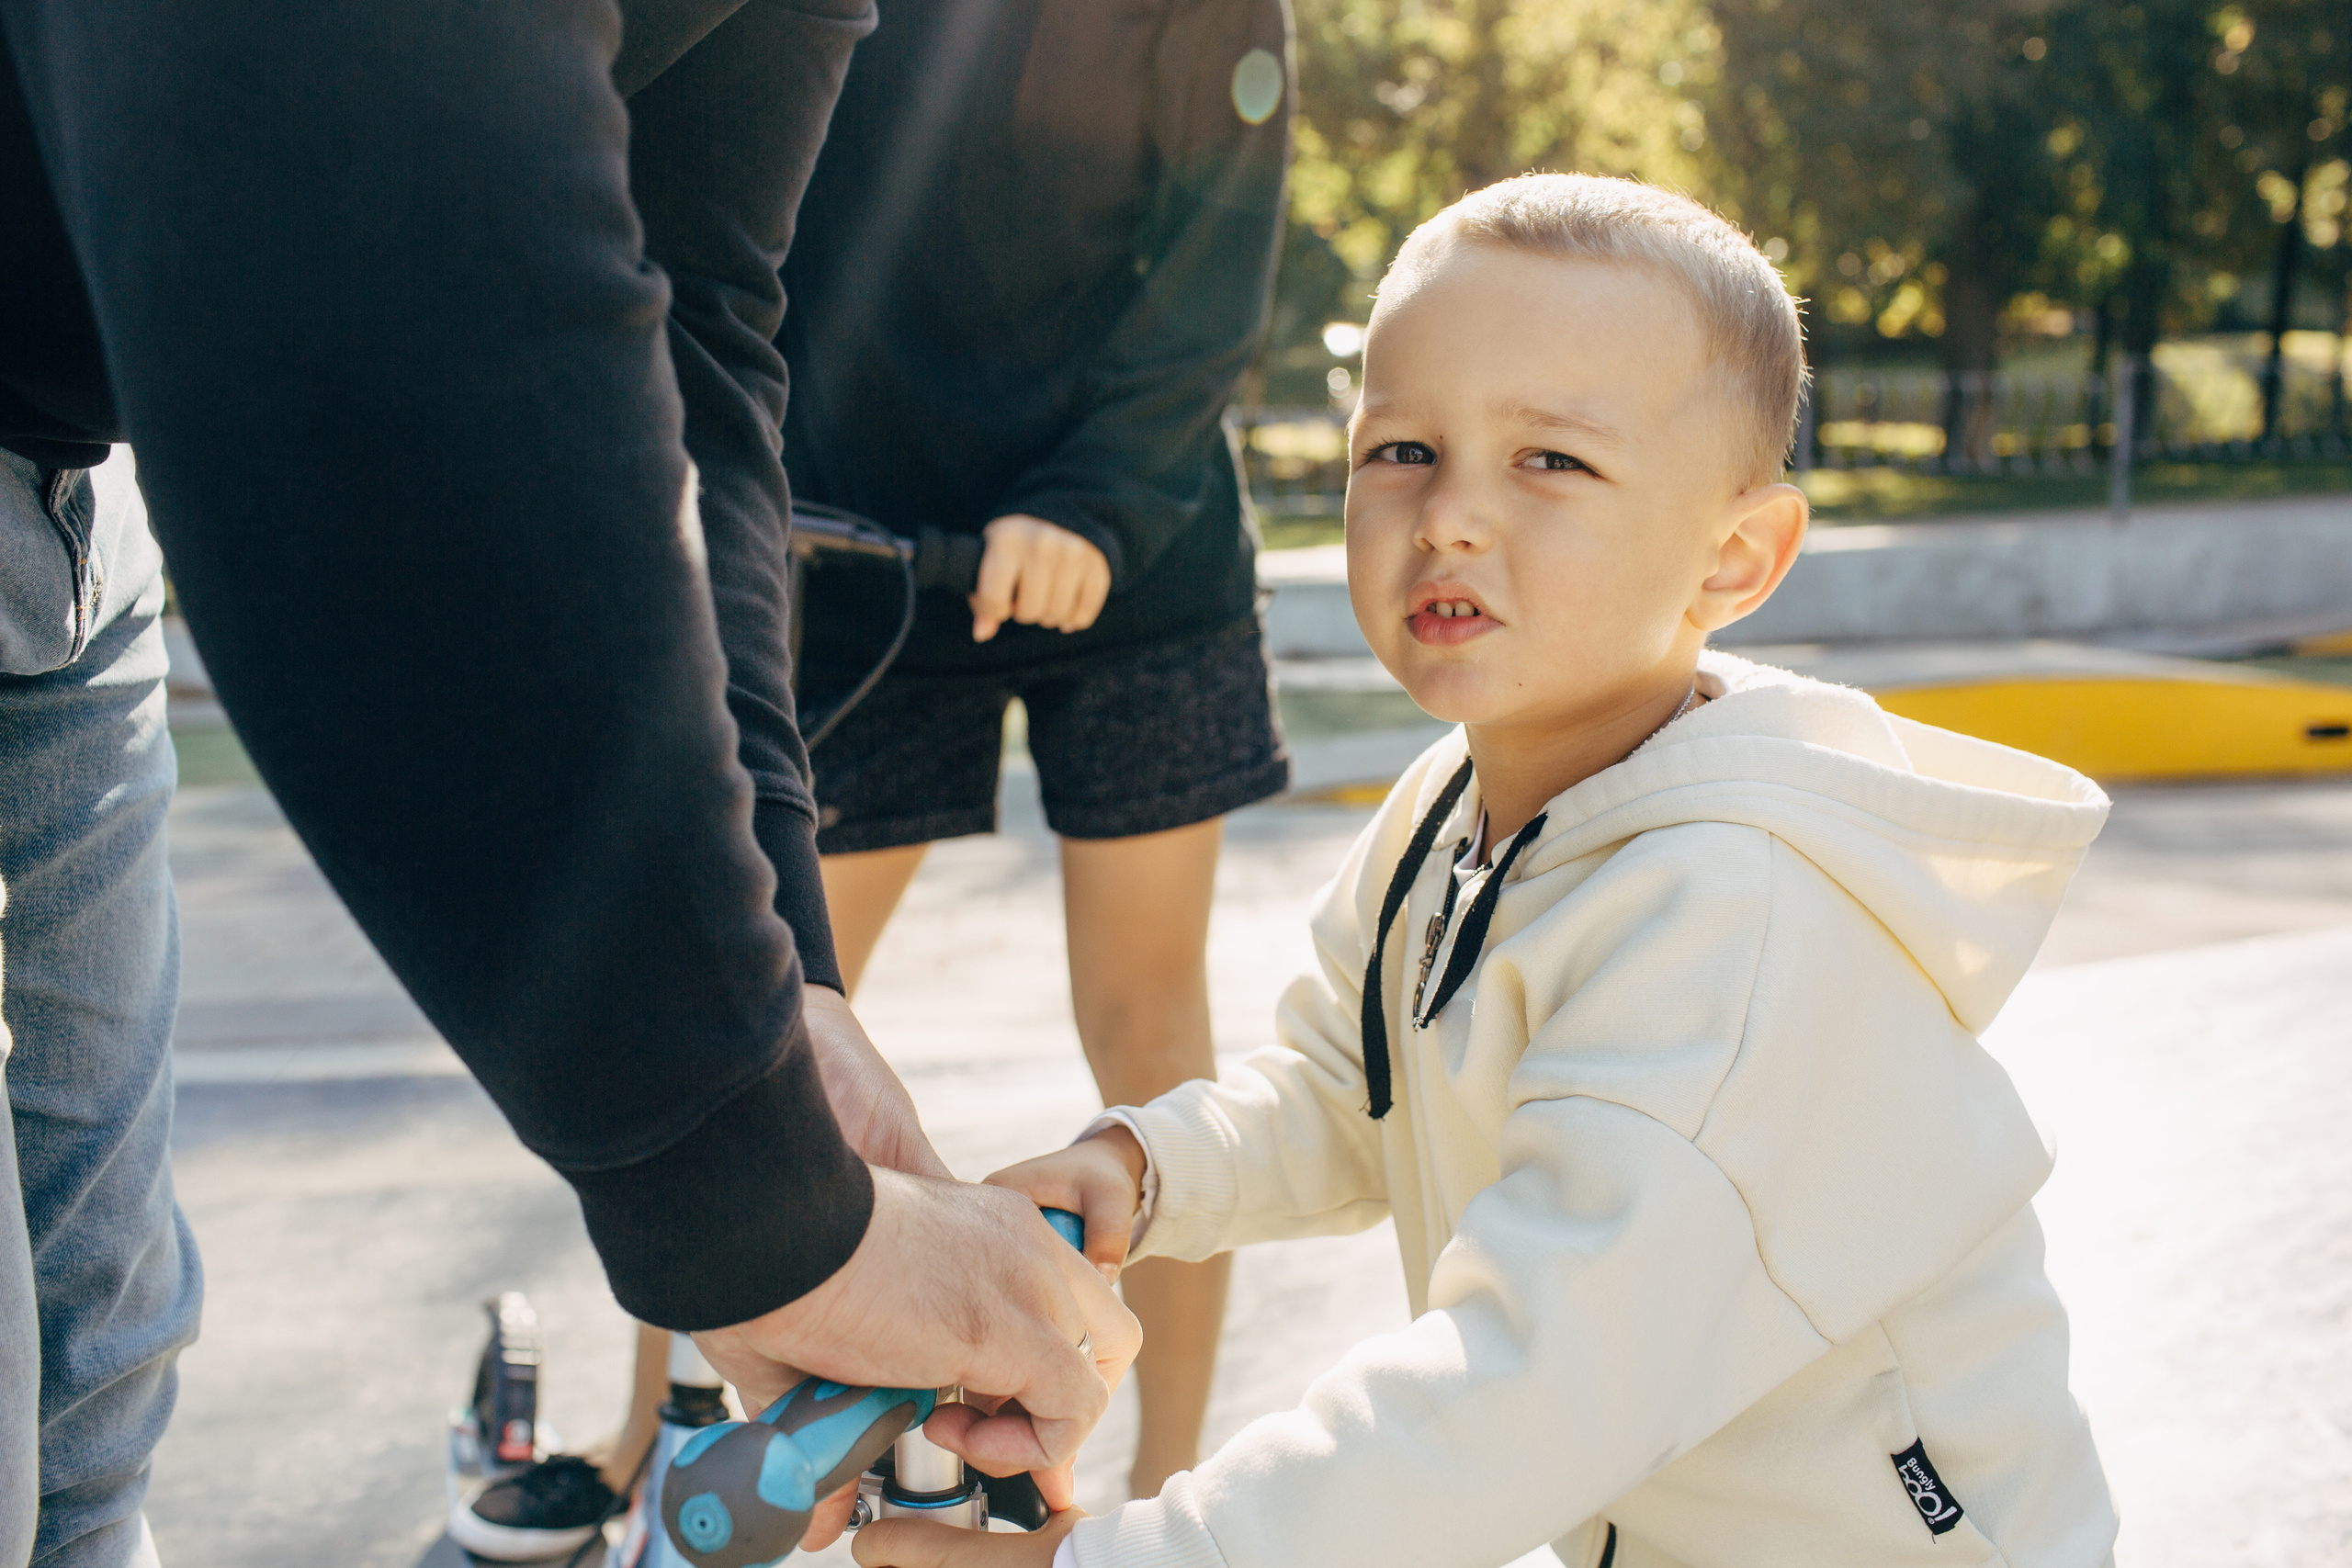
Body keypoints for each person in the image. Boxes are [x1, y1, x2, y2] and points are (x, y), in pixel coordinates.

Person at [0, 3, 1135, 1563]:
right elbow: (330, 187)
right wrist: (743, 1187)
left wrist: (781, 998)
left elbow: (694, 332)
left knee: (80, 1412)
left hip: (62, 518)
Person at [854, 174, 2121, 1568]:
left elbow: (1512, 1406)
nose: (1449, 514)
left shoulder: (1734, 928)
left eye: (1552, 462)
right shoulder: (1458, 804)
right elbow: (1354, 1088)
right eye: (1399, 449)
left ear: (1738, 556)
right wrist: (1150, 1171)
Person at [783, 0, 1295, 1504]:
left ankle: (1173, 1491)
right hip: (856, 548)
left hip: (1135, 557)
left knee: (1149, 1039)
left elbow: (1214, 267)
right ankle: (668, 1452)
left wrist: (1096, 505)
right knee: (759, 1026)